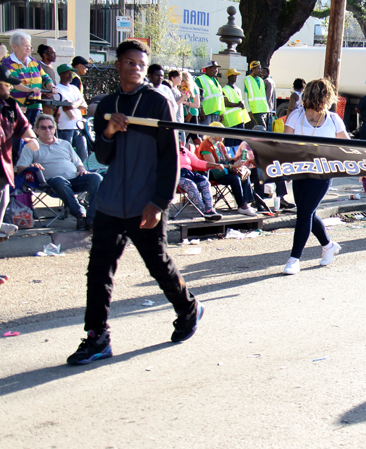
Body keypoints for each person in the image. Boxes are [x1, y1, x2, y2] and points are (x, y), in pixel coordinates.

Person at [67, 39, 203, 366]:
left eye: (141, 64)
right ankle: (97, 337)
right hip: (112, 202)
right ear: (118, 65)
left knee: (158, 264)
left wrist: (159, 202)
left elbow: (171, 157)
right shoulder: (109, 104)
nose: (136, 68)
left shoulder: (158, 103)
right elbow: (102, 155)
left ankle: (188, 309)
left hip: (146, 203)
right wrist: (110, 131)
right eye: (129, 63)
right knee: (98, 270)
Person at [282, 78, 348, 274]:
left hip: (322, 172)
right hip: (300, 170)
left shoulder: (334, 119)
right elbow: (286, 143)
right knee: (306, 212)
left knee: (304, 214)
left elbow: (348, 145)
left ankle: (294, 259)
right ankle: (328, 246)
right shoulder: (295, 116)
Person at [16, 113, 101, 230]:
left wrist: (81, 169)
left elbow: (78, 163)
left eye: (50, 127)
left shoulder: (65, 144)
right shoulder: (31, 147)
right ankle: (80, 214)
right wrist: (31, 166)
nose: (47, 130)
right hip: (52, 184)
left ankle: (91, 219)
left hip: (74, 179)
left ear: (54, 128)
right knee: (59, 180)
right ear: (36, 130)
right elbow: (20, 168)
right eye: (43, 127)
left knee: (96, 177)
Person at [1, 66, 39, 253]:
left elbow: (23, 127)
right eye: (7, 84)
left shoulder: (10, 105)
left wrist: (31, 138)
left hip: (4, 170)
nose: (10, 88)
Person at [2, 31, 56, 125]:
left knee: (34, 134)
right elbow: (15, 84)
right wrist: (30, 90)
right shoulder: (8, 63)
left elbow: (45, 76)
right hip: (19, 107)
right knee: (20, 135)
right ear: (15, 47)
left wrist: (51, 86)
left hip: (36, 106)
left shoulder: (33, 61)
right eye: (25, 46)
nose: (29, 49)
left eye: (30, 47)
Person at [198, 132, 257, 216]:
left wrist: (238, 158)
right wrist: (232, 166)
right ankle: (242, 205)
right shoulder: (206, 145)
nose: (223, 136)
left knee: (244, 174)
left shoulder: (219, 144)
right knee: (235, 178)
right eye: (221, 133)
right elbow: (213, 164)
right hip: (211, 172)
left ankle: (246, 203)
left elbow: (228, 159)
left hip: (223, 170)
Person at [178, 142, 223, 220]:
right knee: (190, 184)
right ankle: (204, 211)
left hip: (188, 173)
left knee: (204, 182)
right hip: (175, 176)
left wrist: (214, 165)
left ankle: (210, 209)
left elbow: (197, 162)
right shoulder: (165, 150)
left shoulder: (183, 149)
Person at [54, 63, 90, 161]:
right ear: (61, 74)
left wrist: (75, 104)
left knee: (83, 153)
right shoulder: (57, 89)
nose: (71, 75)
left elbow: (84, 105)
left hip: (78, 125)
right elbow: (67, 105)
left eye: (71, 72)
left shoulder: (74, 88)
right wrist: (77, 103)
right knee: (66, 154)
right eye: (68, 73)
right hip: (65, 126)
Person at [244, 61, 270, 129]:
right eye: (258, 69)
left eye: (260, 69)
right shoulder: (247, 79)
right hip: (255, 109)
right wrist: (248, 110)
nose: (260, 71)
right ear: (253, 69)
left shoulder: (261, 80)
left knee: (263, 129)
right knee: (262, 128)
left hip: (264, 109)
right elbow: (245, 96)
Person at [262, 66, 276, 131]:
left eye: (263, 73)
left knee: (267, 128)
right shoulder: (272, 81)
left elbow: (268, 96)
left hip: (267, 108)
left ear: (268, 73)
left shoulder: (266, 81)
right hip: (272, 108)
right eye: (261, 73)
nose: (262, 74)